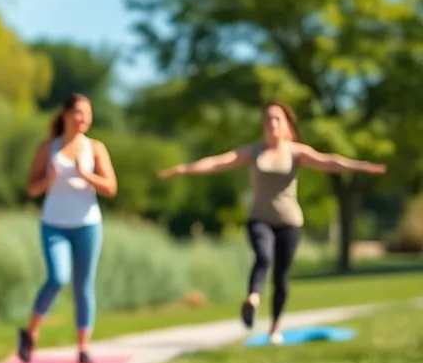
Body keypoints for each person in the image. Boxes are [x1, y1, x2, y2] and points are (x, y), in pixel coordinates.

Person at [157, 101, 386, 344]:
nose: (272, 123)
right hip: (259, 219)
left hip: (290, 222)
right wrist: (185, 168)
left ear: (287, 124)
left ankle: (275, 329)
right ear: (263, 125)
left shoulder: (296, 152)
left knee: (281, 277)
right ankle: (253, 299)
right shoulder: (253, 151)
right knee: (264, 256)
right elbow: (218, 162)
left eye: (277, 118)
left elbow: (328, 161)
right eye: (267, 118)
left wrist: (360, 166)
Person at [18, 93, 118, 363]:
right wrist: (48, 181)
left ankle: (84, 347)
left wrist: (86, 176)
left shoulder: (95, 148)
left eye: (88, 113)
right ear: (65, 115)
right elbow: (31, 189)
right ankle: (30, 334)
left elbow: (111, 188)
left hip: (88, 224)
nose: (84, 118)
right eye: (79, 113)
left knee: (83, 286)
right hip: (54, 225)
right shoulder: (48, 148)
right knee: (58, 277)